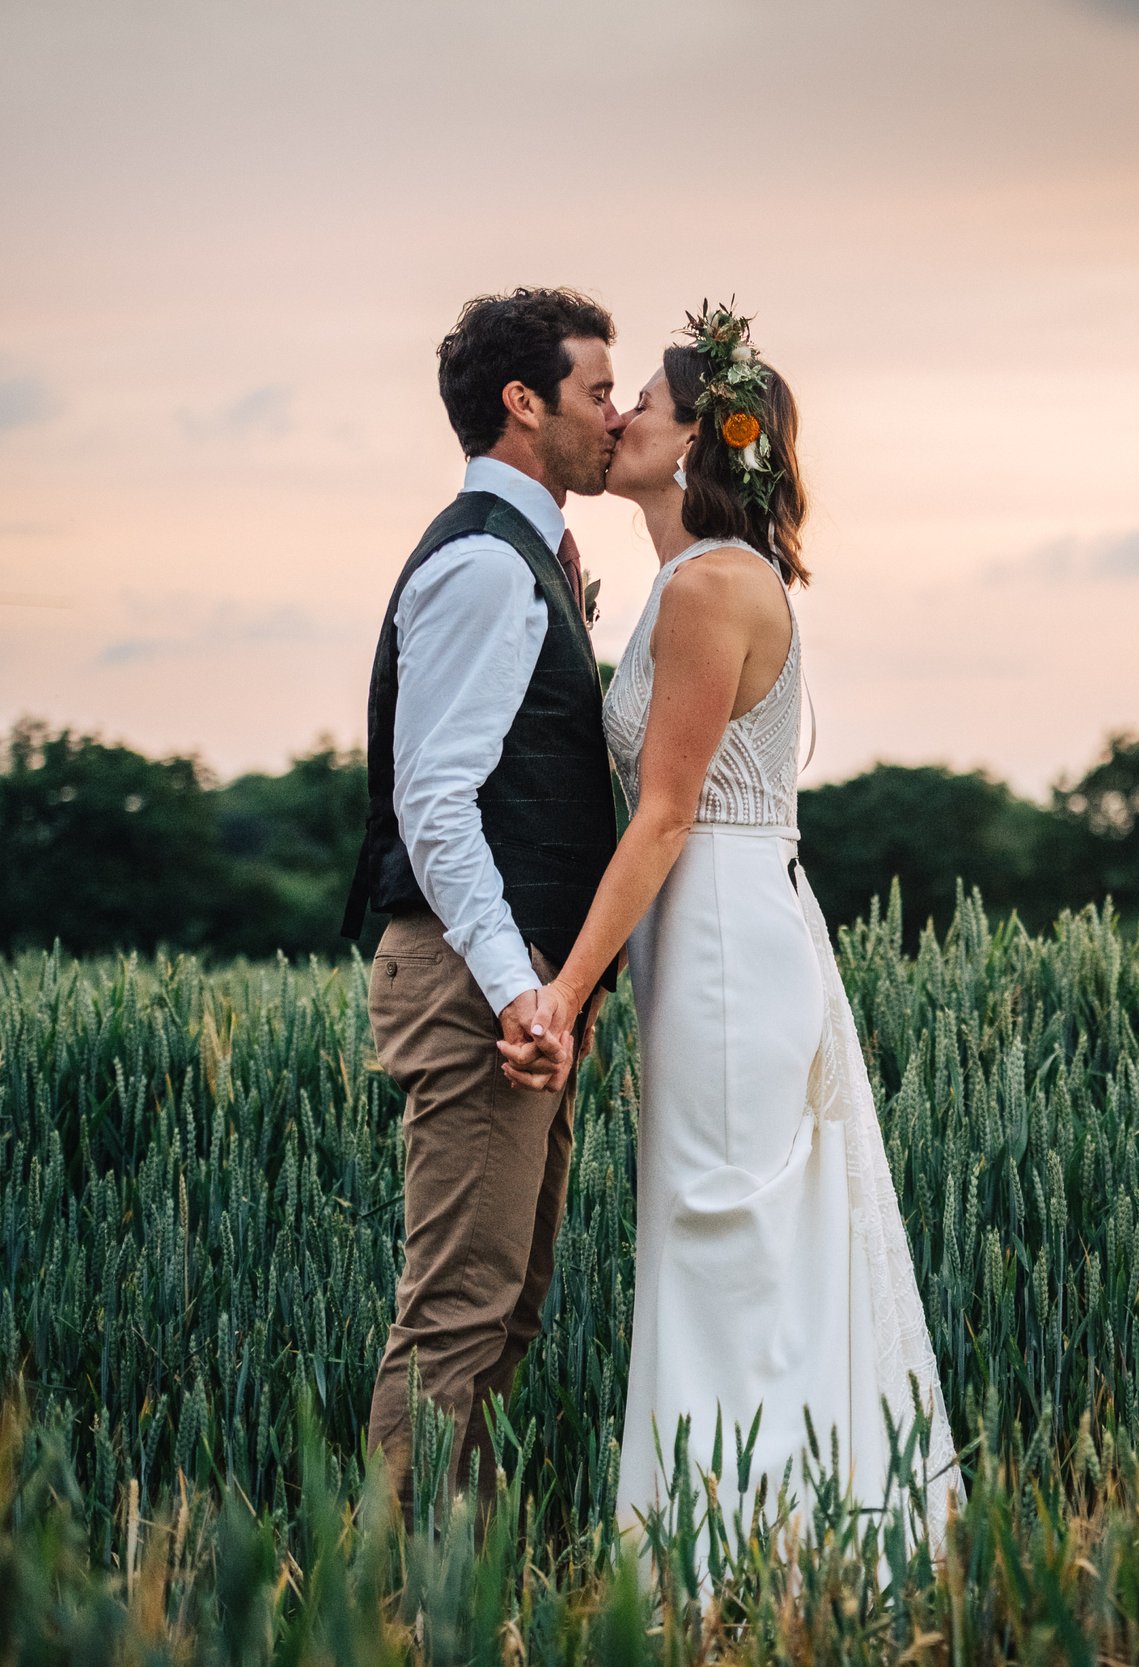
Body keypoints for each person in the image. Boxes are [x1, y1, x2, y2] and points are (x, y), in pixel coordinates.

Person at [501, 302, 960, 1554]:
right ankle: (761, 1536)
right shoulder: (685, 583)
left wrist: (564, 993)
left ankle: (738, 1552)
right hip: (709, 930)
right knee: (723, 1229)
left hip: (715, 937)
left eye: (645, 396)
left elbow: (661, 817)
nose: (623, 412)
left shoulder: (712, 588)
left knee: (722, 1228)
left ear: (704, 435)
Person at [341, 286, 624, 1506]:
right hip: (475, 984)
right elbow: (436, 801)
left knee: (502, 1310)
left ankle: (460, 1580)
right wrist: (523, 994)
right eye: (598, 391)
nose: (616, 417)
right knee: (456, 1317)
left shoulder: (529, 554)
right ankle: (400, 1606)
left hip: (508, 986)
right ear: (525, 402)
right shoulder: (479, 564)